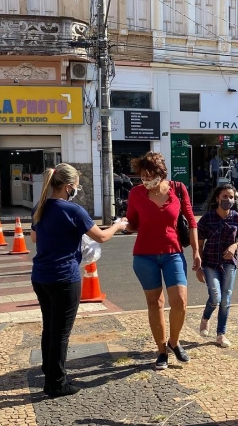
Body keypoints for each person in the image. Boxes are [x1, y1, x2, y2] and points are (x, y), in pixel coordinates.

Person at [30, 163, 127, 398]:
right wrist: (118, 225)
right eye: (76, 186)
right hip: (64, 277)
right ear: (67, 186)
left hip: (41, 276)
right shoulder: (73, 211)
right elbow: (102, 237)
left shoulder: (40, 206)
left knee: (49, 328)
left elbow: (33, 237)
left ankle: (49, 371)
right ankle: (57, 383)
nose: (77, 189)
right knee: (61, 333)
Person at [125, 151, 200, 370]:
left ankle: (174, 342)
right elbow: (132, 222)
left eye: (150, 175)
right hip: (144, 255)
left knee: (180, 302)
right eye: (142, 176)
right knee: (154, 303)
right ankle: (161, 351)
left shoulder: (178, 189)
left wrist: (196, 251)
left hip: (173, 253)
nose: (146, 180)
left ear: (161, 173)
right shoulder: (136, 193)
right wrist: (124, 226)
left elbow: (192, 221)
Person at [195, 184, 238, 348]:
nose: (228, 200)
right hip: (210, 263)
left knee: (226, 300)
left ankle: (221, 334)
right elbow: (199, 244)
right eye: (225, 197)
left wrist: (234, 246)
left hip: (229, 264)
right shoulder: (207, 218)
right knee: (215, 297)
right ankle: (205, 318)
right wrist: (198, 267)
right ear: (218, 198)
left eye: (231, 197)